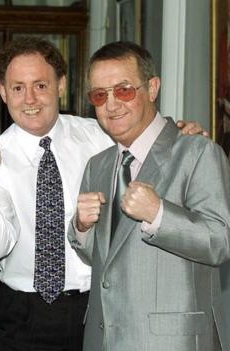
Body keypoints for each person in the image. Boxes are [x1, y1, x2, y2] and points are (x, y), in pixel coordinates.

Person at [0, 36, 205, 351]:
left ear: (61, 86)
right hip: (23, 315)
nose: (29, 98)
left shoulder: (99, 135)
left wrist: (182, 138)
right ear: (3, 92)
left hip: (102, 306)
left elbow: (151, 150)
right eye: (18, 87)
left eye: (41, 85)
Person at [71, 41, 230, 350]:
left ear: (153, 87)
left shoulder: (198, 153)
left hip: (174, 342)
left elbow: (221, 241)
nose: (111, 105)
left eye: (124, 90)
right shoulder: (98, 165)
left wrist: (159, 215)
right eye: (100, 95)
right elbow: (107, 259)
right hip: (103, 338)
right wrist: (81, 227)